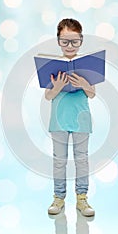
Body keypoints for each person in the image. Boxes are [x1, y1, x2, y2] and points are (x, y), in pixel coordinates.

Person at [45, 18, 95, 217]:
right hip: (58, 120)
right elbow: (48, 96)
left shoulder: (87, 66)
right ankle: (59, 198)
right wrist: (56, 87)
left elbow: (92, 93)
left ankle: (82, 199)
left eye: (74, 41)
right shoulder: (52, 66)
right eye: (65, 41)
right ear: (58, 41)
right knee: (59, 160)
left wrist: (84, 83)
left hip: (81, 120)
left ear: (81, 40)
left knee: (81, 160)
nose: (70, 46)